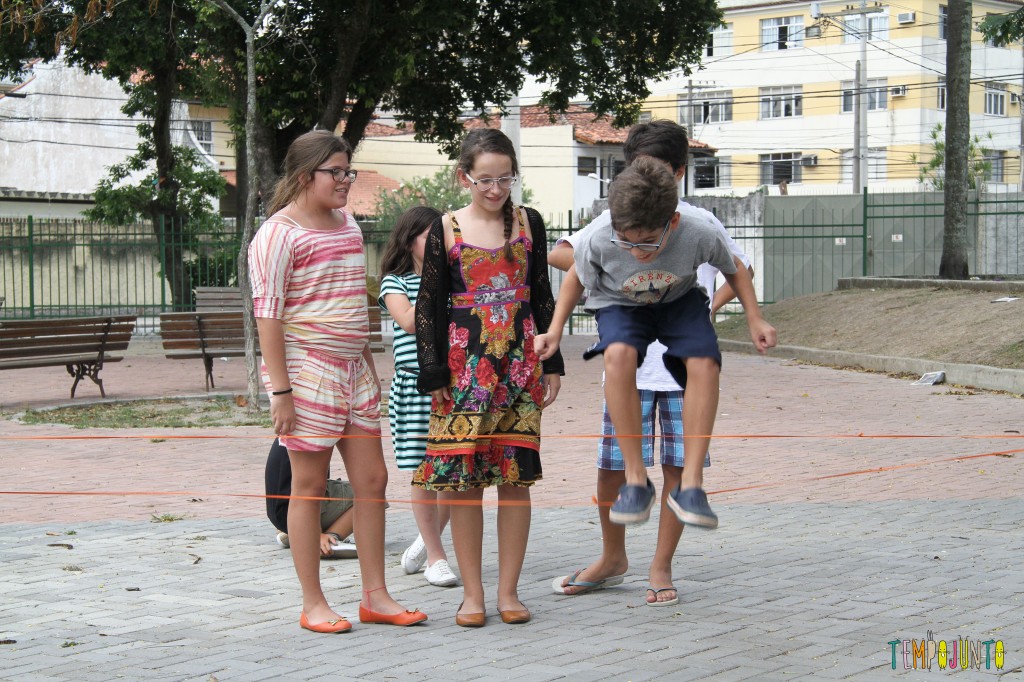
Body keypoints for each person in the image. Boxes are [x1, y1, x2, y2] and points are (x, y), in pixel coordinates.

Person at [547, 120, 754, 606]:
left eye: (657, 172)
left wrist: (710, 309)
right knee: (612, 467)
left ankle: (660, 566)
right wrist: (615, 265)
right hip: (630, 362)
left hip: (679, 362)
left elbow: (738, 268)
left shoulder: (698, 223)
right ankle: (612, 557)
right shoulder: (615, 222)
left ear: (678, 174)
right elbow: (568, 257)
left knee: (679, 468)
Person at [535, 156, 775, 538]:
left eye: (647, 241)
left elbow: (735, 268)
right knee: (618, 355)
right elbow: (576, 277)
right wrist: (555, 330)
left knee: (705, 362)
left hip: (678, 301)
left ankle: (692, 485)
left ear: (672, 222)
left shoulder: (698, 231)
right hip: (620, 303)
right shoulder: (601, 237)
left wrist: (755, 318)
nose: (636, 250)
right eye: (626, 240)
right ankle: (635, 479)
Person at [249, 129, 426, 634]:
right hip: (308, 373)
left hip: (354, 371)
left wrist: (369, 364)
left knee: (372, 480)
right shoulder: (277, 234)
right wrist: (279, 391)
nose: (346, 181)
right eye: (338, 172)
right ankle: (314, 604)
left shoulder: (347, 224)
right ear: (307, 176)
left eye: (349, 171)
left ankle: (376, 597)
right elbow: (268, 315)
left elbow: (351, 301)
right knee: (307, 486)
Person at [414, 128, 565, 627]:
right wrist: (432, 371)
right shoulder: (445, 228)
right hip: (462, 371)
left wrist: (553, 361)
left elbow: (541, 291)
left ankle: (509, 593)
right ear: (465, 177)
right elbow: (429, 308)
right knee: (463, 485)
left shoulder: (529, 223)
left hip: (519, 367)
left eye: (505, 178)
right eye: (485, 180)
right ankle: (472, 595)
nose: (496, 189)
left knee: (515, 479)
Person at [378, 205, 457, 587]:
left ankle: (427, 544)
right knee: (425, 475)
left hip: (453, 388)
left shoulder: (455, 279)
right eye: (430, 235)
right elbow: (410, 321)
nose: (439, 242)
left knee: (453, 475)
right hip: (414, 387)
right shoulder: (395, 282)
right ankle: (436, 557)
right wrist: (435, 281)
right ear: (409, 240)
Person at [265, 438, 358, 559]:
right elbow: (312, 489)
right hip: (298, 508)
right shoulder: (313, 429)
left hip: (278, 514)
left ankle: (296, 534)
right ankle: (328, 539)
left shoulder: (290, 428)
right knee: (371, 493)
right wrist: (317, 534)